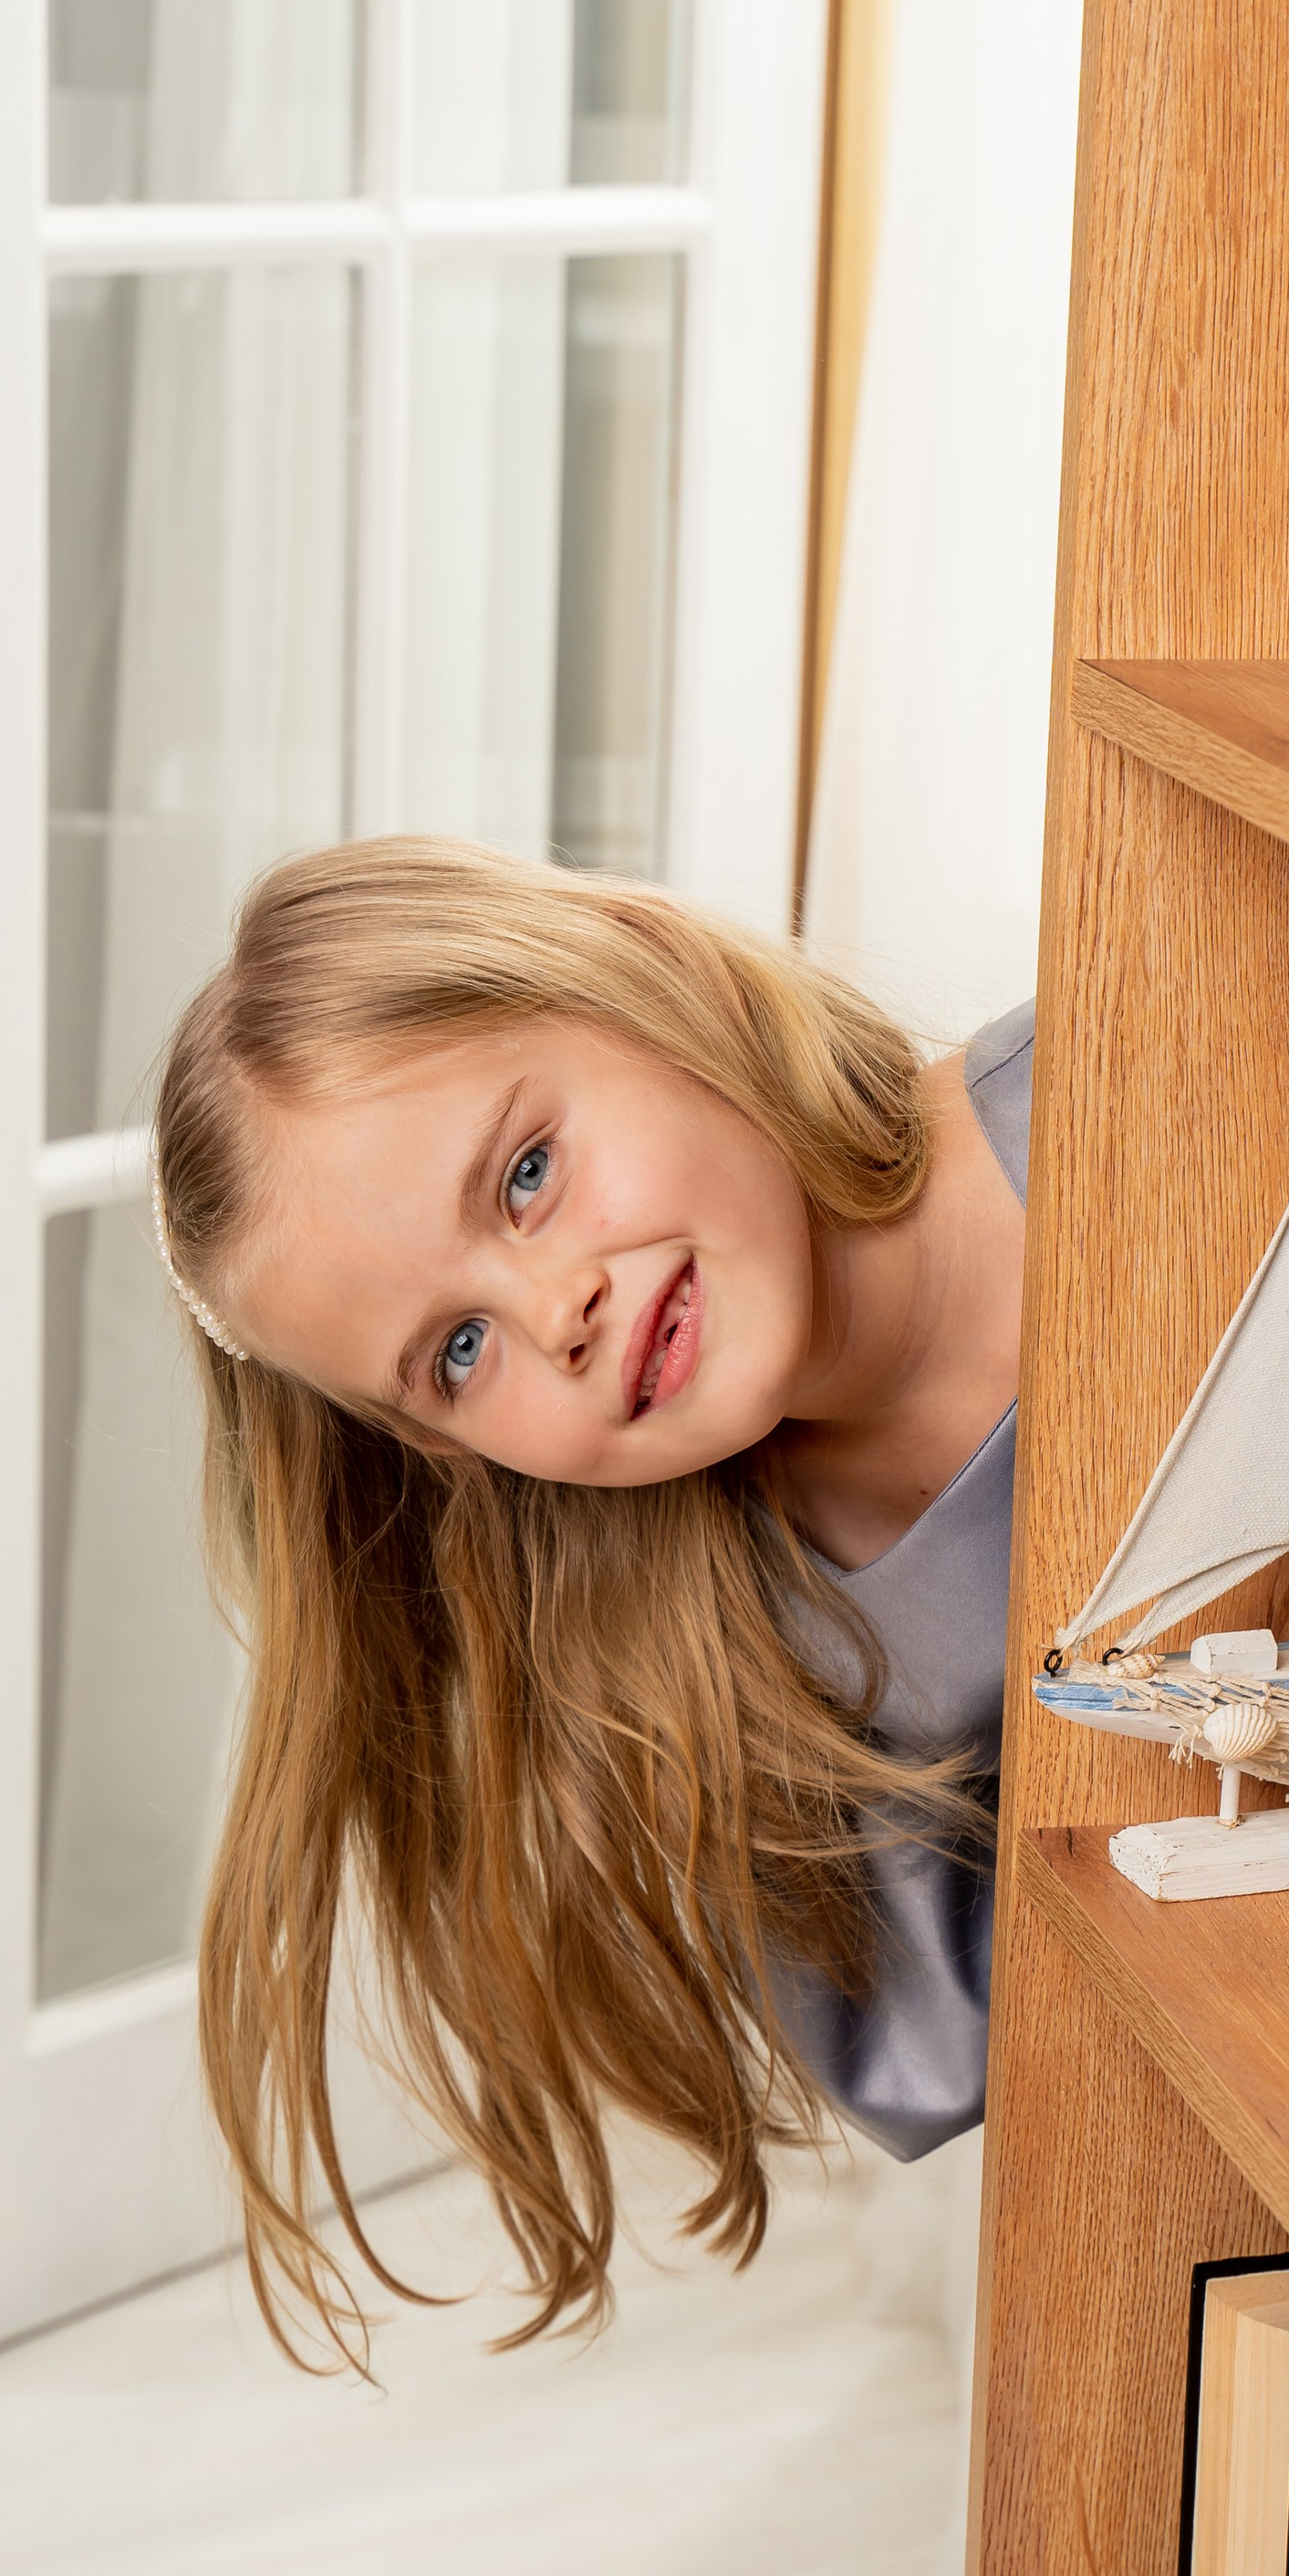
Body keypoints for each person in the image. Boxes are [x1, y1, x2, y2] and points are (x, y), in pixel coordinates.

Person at [150, 836, 1031, 2354]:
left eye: (528, 1175)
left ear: (648, 979)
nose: (557, 1311)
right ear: (450, 1450)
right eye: (459, 1355)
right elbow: (968, 2049)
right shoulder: (756, 1678)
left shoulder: (1148, 1060)